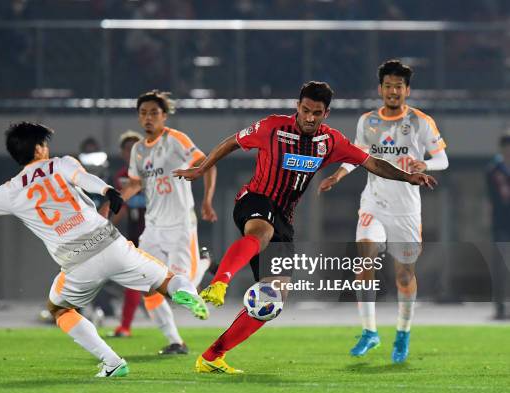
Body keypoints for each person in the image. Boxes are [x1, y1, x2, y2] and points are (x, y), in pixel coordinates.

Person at [0, 122, 209, 378]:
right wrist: (106, 190)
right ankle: (189, 295)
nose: (47, 147)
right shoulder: (61, 163)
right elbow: (84, 179)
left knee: (59, 310)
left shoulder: (9, 191)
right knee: (165, 281)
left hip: (76, 261)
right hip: (108, 241)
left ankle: (113, 362)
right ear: (37, 149)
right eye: (44, 143)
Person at [174, 81, 437, 374]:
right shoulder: (272, 127)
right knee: (261, 232)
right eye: (306, 110)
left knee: (274, 298)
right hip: (256, 199)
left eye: (317, 113)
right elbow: (232, 141)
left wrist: (407, 177)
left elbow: (371, 163)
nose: (310, 117)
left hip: (285, 218)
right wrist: (202, 168)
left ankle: (212, 356)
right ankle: (221, 281)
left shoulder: (331, 141)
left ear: (326, 113)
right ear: (297, 107)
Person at [319, 60, 449, 364]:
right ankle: (369, 331)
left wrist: (425, 164)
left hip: (406, 210)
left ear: (406, 90)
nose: (393, 91)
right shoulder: (367, 122)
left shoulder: (421, 121)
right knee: (365, 258)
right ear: (381, 89)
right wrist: (338, 175)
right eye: (388, 86)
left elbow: (442, 158)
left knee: (404, 275)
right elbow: (357, 157)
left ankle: (402, 333)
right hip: (374, 203)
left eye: (398, 86)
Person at [119, 90, 218, 354]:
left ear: (164, 115)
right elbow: (136, 184)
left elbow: (208, 164)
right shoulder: (139, 150)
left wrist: (207, 201)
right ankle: (176, 341)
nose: (148, 117)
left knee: (180, 287)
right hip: (153, 228)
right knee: (148, 285)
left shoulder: (175, 139)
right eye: (143, 113)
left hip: (180, 225)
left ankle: (204, 262)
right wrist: (113, 202)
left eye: (153, 112)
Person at [108, 130, 147, 337]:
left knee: (179, 275)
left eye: (136, 148)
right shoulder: (121, 177)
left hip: (162, 231)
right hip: (136, 236)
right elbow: (121, 206)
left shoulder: (154, 170)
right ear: (122, 153)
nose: (132, 152)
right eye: (128, 149)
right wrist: (105, 227)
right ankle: (125, 326)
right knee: (135, 280)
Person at [486, 134, 510, 320]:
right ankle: (500, 307)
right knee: (501, 268)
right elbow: (492, 200)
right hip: (501, 225)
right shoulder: (495, 170)